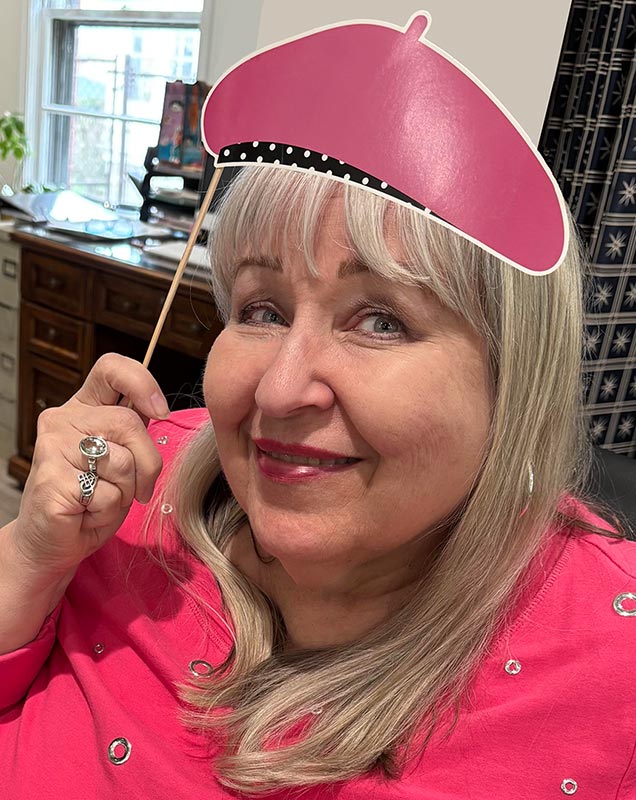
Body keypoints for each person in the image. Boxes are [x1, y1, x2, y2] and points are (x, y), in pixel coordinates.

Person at [1, 163, 635, 799]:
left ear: (511, 382)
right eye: (263, 310)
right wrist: (29, 562)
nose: (278, 391)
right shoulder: (134, 476)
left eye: (381, 321)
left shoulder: (615, 659)